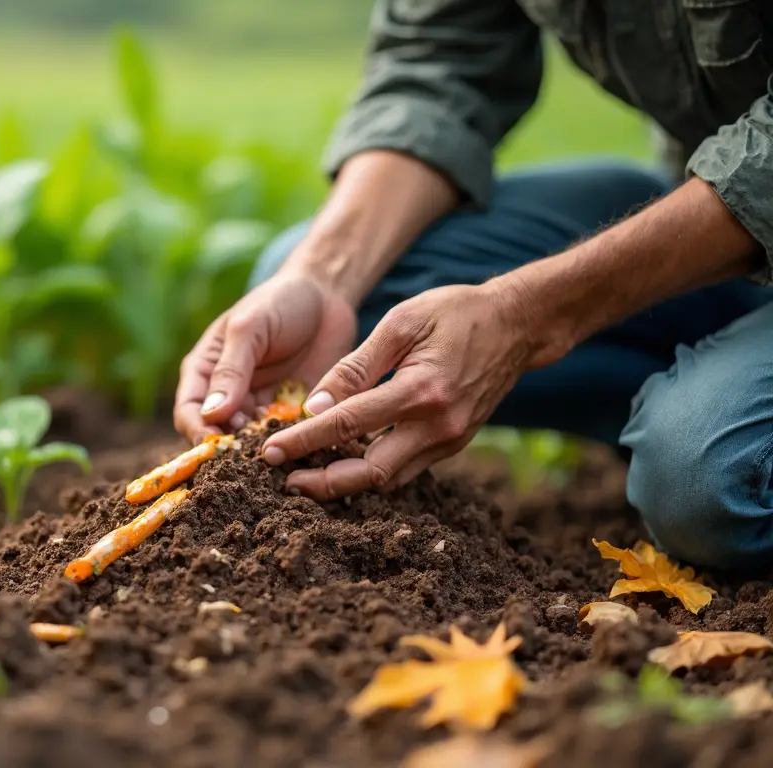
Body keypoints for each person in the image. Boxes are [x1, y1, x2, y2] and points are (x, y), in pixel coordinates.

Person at [173, 1, 773, 571]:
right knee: (334, 301)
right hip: (712, 218)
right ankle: (703, 393)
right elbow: (436, 63)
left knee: (707, 481)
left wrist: (524, 317)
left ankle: (703, 418)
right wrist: (322, 275)